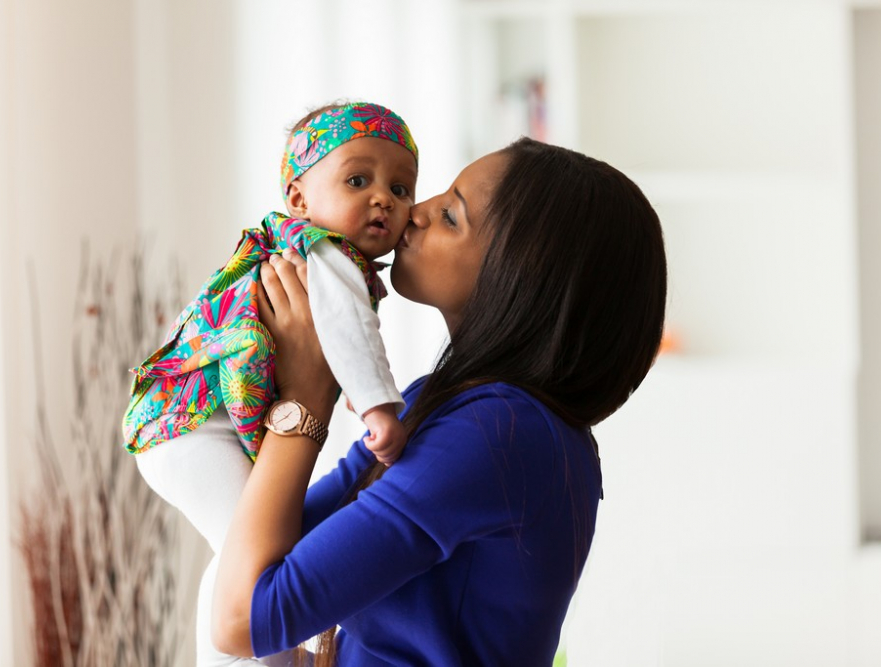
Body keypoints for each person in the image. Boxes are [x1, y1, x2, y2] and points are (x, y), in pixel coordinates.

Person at [210, 137, 668, 666]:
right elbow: (274, 555)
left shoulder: (501, 433)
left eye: (451, 215)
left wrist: (306, 396)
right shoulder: (445, 404)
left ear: (520, 277)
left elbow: (241, 620)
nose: (415, 212)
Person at [122, 101, 419, 666]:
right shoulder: (327, 255)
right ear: (300, 199)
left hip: (181, 427)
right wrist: (378, 409)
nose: (385, 198)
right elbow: (349, 333)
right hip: (191, 429)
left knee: (242, 558)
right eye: (359, 180)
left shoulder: (304, 248)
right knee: (257, 570)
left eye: (402, 189)